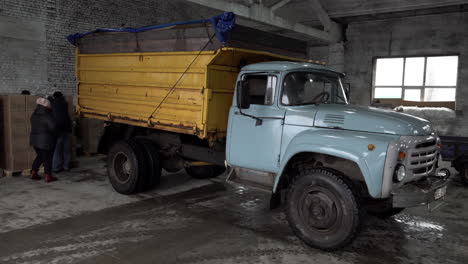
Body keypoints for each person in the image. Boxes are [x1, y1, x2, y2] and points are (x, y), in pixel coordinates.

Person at [30, 97, 58, 182]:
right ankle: (48, 176)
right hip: (46, 141)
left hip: (34, 140)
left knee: (40, 156)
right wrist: (57, 134)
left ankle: (33, 172)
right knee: (47, 158)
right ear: (47, 106)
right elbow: (53, 127)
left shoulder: (34, 114)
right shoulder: (47, 115)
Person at [52, 91, 72, 173]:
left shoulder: (52, 104)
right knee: (66, 150)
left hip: (57, 130)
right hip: (66, 129)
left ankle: (56, 168)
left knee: (57, 150)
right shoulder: (65, 103)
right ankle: (66, 166)